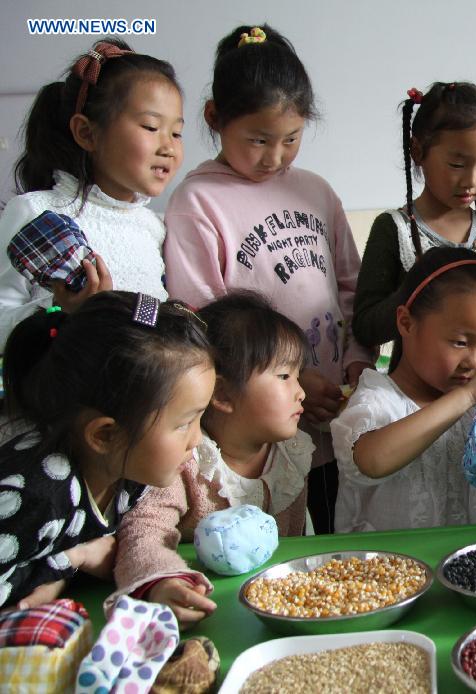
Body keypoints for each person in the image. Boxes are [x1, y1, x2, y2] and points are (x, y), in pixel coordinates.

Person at [163, 25, 373, 534]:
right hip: (258, 425)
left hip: (332, 407)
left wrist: (356, 364)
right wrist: (295, 377)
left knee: (337, 531)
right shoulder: (198, 203)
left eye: (291, 139)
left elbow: (352, 287)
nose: (275, 157)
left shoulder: (315, 191)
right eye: (258, 140)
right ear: (215, 118)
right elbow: (203, 322)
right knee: (279, 539)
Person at [0, 291, 213, 610]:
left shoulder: (128, 471)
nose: (197, 439)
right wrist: (74, 557)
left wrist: (155, 585)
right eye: (184, 423)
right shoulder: (38, 493)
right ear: (105, 435)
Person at [111, 291, 314, 625]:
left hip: (277, 611)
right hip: (205, 610)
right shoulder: (187, 462)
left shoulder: (292, 456)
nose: (301, 391)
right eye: (284, 376)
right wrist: (163, 583)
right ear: (221, 394)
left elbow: (294, 547)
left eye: (298, 375)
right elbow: (144, 533)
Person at [0, 39, 184, 347]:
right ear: (87, 133)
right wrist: (62, 311)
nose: (168, 147)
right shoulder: (36, 214)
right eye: (151, 127)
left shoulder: (156, 227)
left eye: (176, 133)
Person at [333, 247, 476, 532]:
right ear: (406, 323)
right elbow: (371, 461)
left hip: (468, 571)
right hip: (387, 572)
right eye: (460, 342)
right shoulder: (377, 399)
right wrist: (468, 395)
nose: (473, 362)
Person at [351, 82, 476, 365]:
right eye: (457, 164)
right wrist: (421, 288)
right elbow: (366, 326)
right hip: (414, 397)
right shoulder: (396, 229)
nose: (472, 181)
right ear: (418, 151)